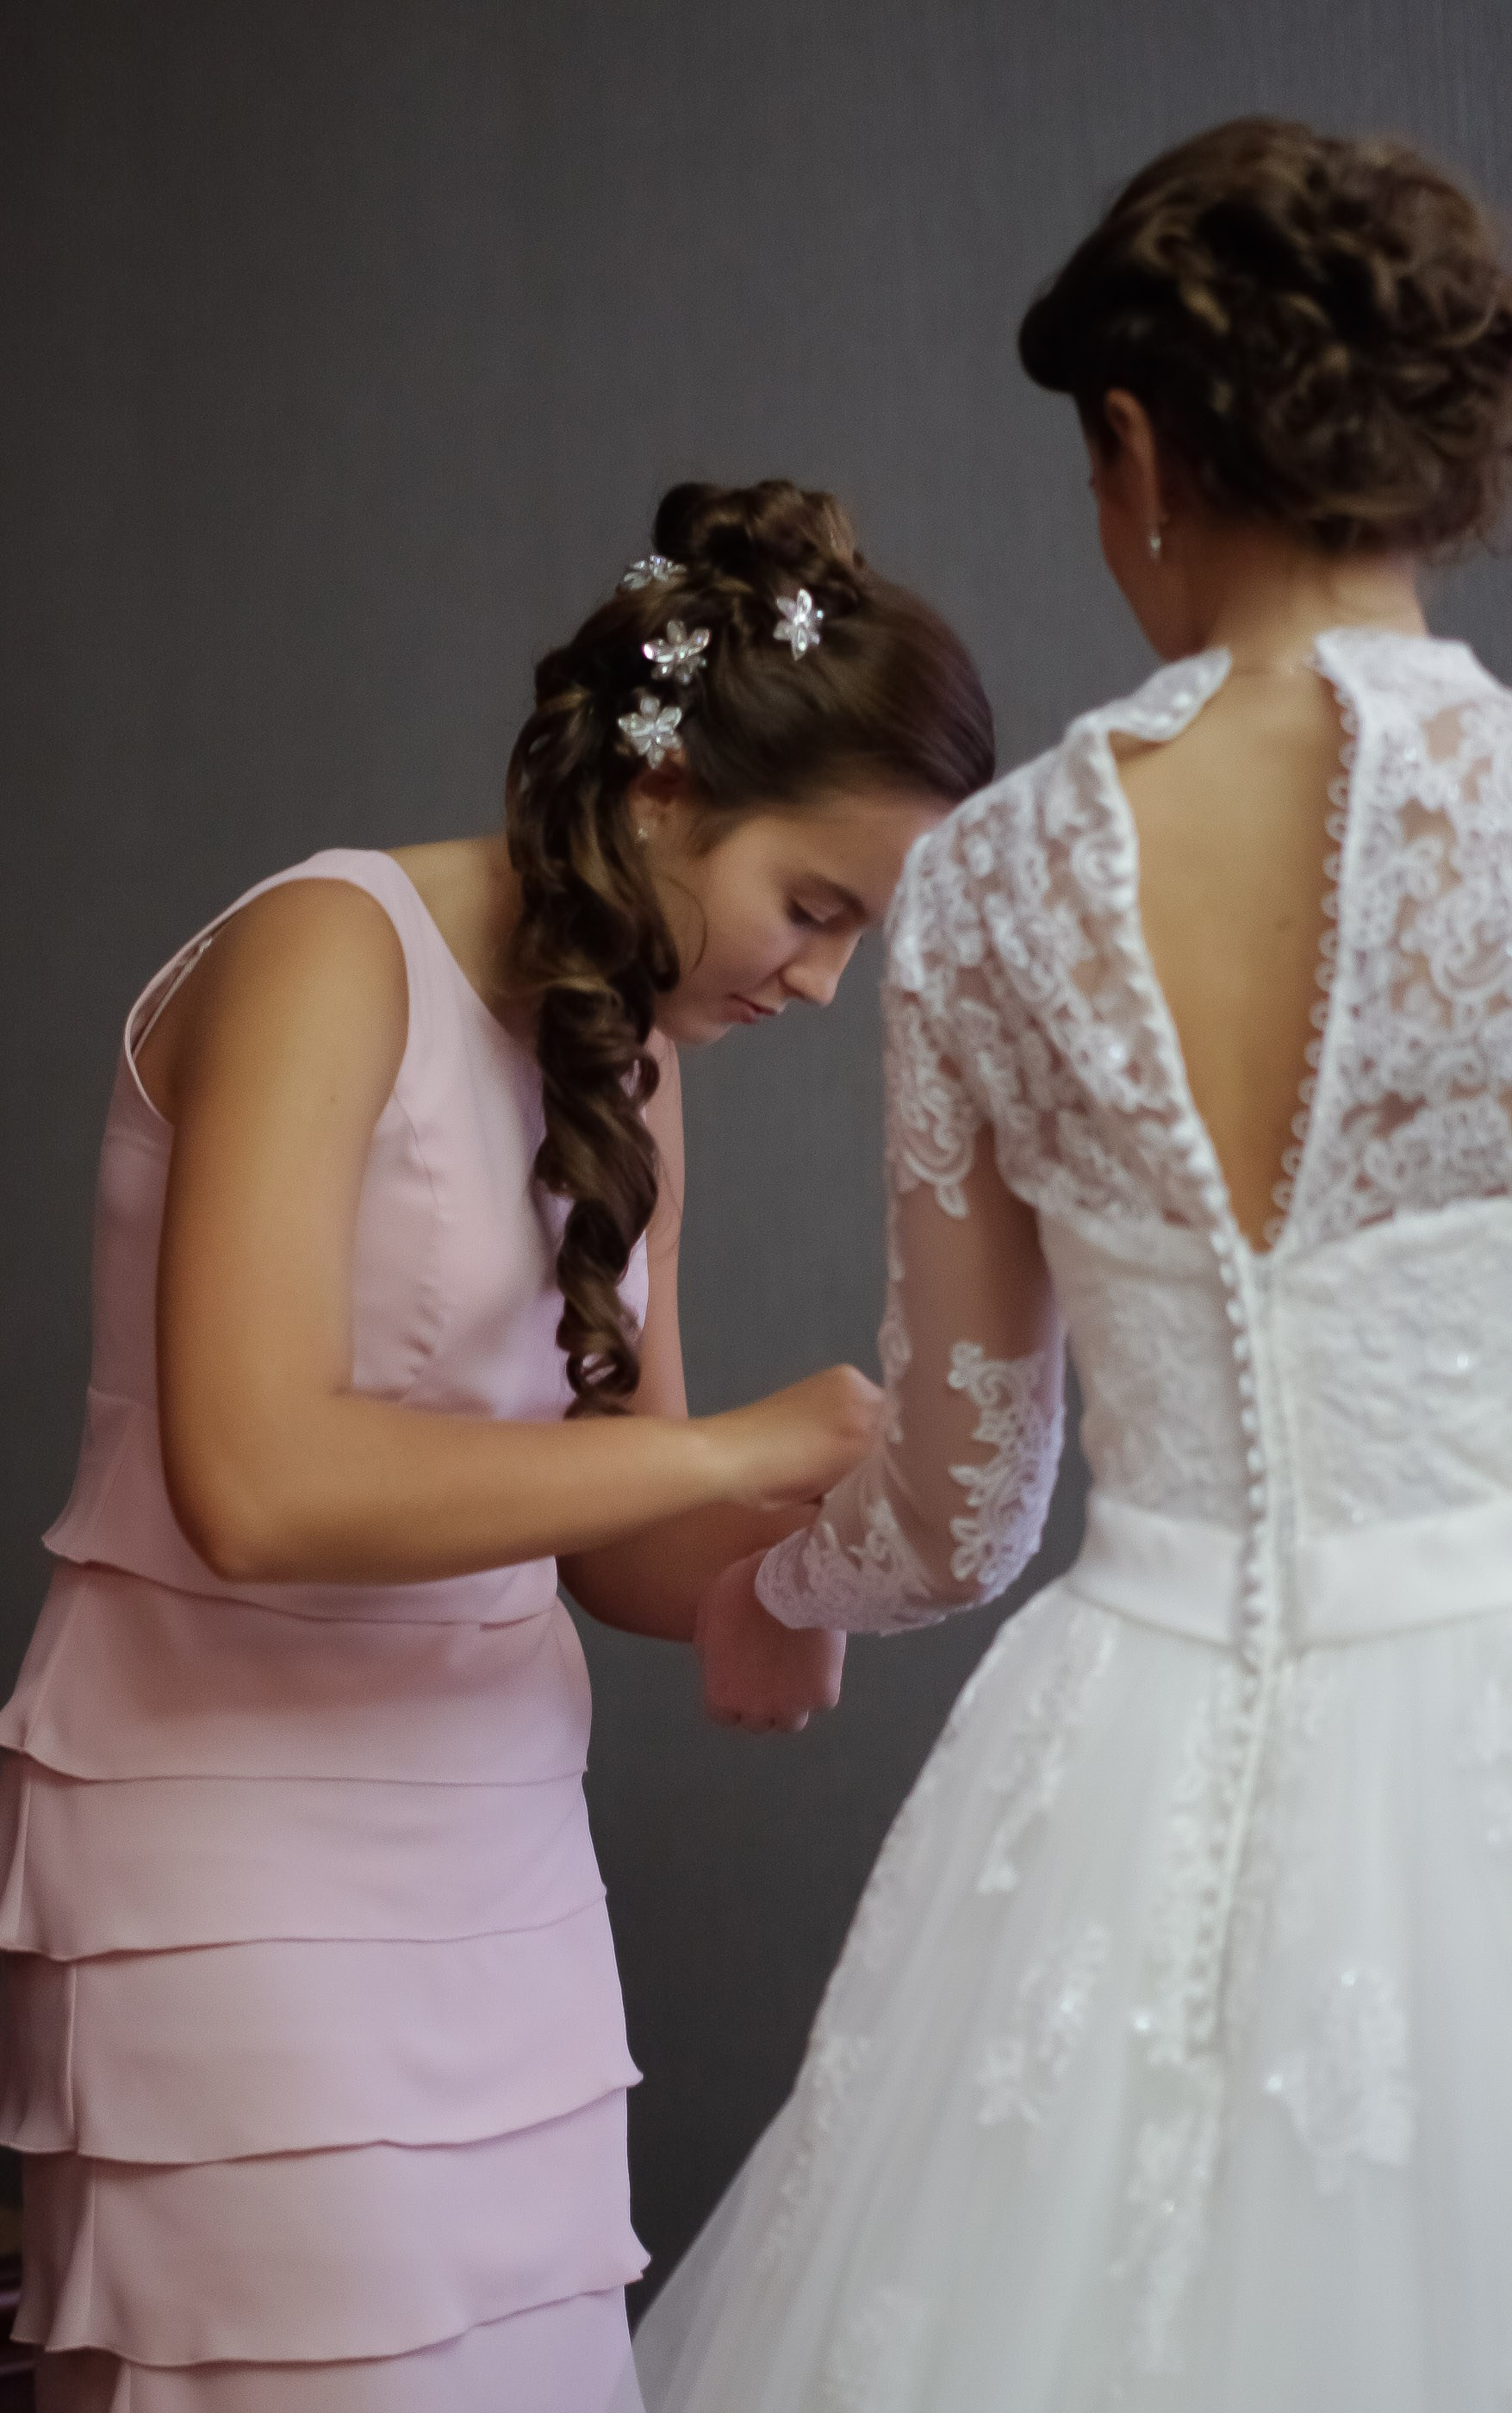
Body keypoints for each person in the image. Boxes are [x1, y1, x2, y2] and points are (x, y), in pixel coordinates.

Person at [636, 122, 1512, 2413]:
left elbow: (957, 1504)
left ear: (1137, 447)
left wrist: (774, 1591)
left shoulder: (1000, 878)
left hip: (1125, 1762)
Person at [0, 477, 997, 2413]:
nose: (821, 982)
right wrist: (728, 1455)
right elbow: (255, 1484)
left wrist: (821, 1550)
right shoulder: (326, 947)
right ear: (668, 785)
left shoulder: (631, 1056)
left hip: (500, 1854)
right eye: (815, 907)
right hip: (224, 1850)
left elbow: (610, 1537)